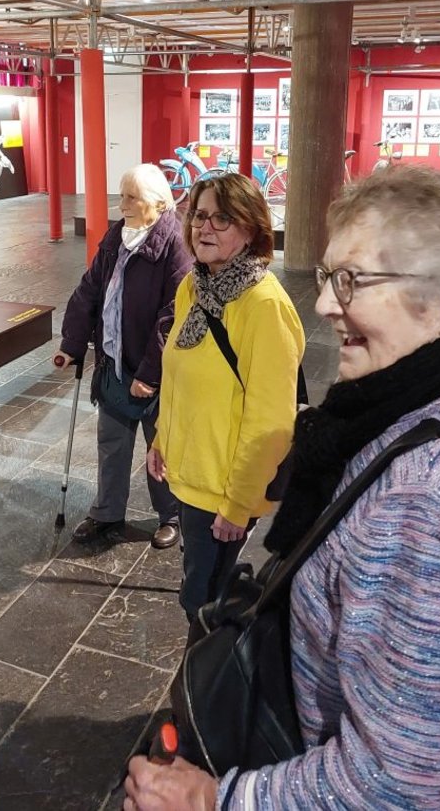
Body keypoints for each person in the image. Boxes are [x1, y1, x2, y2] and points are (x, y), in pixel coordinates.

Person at [126, 166, 440, 811]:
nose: (322, 303)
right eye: (327, 276)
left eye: (353, 281)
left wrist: (215, 799)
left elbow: (394, 780)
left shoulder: (427, 496)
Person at [147, 173, 304, 622]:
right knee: (198, 587)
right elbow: (179, 375)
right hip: (191, 472)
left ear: (251, 230)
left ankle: (206, 667)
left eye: (222, 219)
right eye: (199, 216)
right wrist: (161, 438)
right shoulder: (193, 286)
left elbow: (271, 423)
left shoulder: (264, 305)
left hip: (223, 490)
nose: (205, 228)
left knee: (204, 605)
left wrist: (238, 504)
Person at [54, 164, 192, 549]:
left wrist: (149, 373)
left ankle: (171, 515)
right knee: (112, 442)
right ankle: (107, 512)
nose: (123, 204)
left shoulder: (176, 244)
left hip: (156, 370)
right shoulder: (117, 235)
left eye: (133, 198)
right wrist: (71, 344)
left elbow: (172, 316)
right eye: (122, 195)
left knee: (161, 445)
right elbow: (90, 289)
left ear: (159, 204)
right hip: (115, 361)